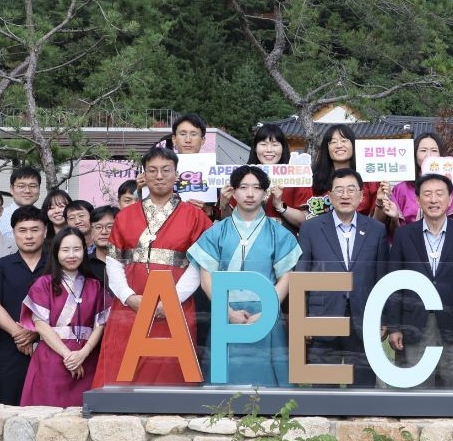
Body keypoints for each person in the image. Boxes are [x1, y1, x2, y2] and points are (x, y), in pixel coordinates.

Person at [93, 147, 213, 387]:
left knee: (170, 369)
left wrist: (172, 299)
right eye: (153, 170)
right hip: (131, 306)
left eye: (166, 170)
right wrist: (128, 297)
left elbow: (200, 264)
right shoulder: (126, 216)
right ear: (144, 176)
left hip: (175, 305)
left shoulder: (195, 216)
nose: (159, 176)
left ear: (177, 174)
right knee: (122, 370)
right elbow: (114, 261)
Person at [189, 165, 302, 386]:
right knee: (225, 377)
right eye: (243, 187)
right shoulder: (216, 231)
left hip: (265, 310)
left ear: (265, 193)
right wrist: (227, 311)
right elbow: (206, 278)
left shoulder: (279, 232)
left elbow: (286, 278)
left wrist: (268, 310)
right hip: (226, 311)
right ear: (233, 192)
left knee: (268, 378)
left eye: (256, 188)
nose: (250, 194)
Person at [295, 168, 389, 387]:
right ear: (329, 196)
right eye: (339, 190)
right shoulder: (311, 228)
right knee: (323, 392)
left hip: (364, 317)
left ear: (361, 195)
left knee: (363, 389)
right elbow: (301, 275)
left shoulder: (376, 229)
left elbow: (381, 277)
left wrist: (383, 317)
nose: (345, 195)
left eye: (351, 190)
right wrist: (303, 320)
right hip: (322, 317)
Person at [387, 173, 453, 389]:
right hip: (414, 322)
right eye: (427, 194)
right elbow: (394, 283)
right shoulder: (404, 235)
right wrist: (394, 326)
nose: (433, 200)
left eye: (440, 194)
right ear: (418, 199)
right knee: (415, 389)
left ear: (450, 199)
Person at [19, 226, 110, 407]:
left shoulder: (95, 286)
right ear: (56, 252)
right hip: (52, 358)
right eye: (65, 250)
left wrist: (83, 354)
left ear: (84, 251)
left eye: (77, 249)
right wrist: (68, 356)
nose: (71, 255)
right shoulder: (43, 284)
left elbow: (100, 324)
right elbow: (41, 325)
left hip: (87, 358)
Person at [0, 206, 49, 405]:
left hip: (50, 345)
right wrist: (19, 335)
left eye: (34, 229)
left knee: (47, 406)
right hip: (9, 348)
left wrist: (35, 332)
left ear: (45, 231)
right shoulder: (0, 266)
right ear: (13, 233)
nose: (28, 236)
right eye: (22, 230)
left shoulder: (55, 265)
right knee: (9, 405)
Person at [274, 124, 381, 229]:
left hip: (360, 237)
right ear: (327, 148)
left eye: (344, 141)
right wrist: (280, 205)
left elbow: (377, 220)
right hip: (320, 238)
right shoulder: (312, 180)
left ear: (353, 145)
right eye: (333, 142)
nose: (339, 145)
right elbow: (305, 218)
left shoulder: (370, 180)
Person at [379, 131, 453, 232]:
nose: (429, 155)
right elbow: (393, 229)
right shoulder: (401, 189)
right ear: (414, 155)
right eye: (423, 150)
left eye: (434, 150)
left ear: (441, 155)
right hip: (409, 243)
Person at [248, 122, 293, 220]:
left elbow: (306, 220)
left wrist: (280, 206)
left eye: (275, 144)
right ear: (255, 148)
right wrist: (224, 203)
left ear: (283, 148)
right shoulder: (243, 178)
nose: (269, 150)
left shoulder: (296, 177)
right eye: (263, 144)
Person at [0, 166, 42, 237]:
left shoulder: (44, 217)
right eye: (21, 186)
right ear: (12, 189)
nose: (27, 191)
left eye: (33, 186)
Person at [88, 205, 118, 275]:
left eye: (110, 227)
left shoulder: (130, 262)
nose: (104, 232)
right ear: (91, 231)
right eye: (98, 227)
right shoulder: (84, 264)